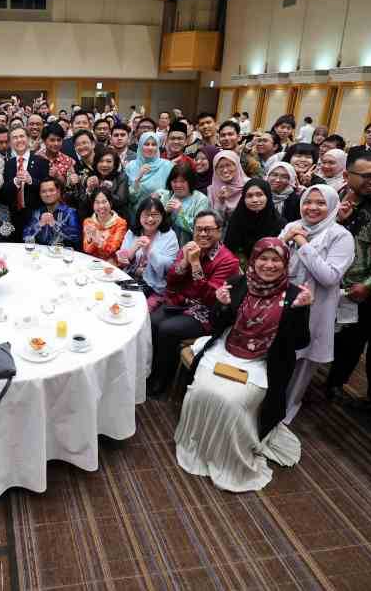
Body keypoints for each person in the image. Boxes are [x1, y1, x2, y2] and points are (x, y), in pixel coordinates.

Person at [174, 238, 312, 492]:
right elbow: (218, 325)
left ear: (285, 264)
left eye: (276, 260)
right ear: (253, 259)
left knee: (233, 402)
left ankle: (229, 457)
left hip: (264, 360)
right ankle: (201, 445)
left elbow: (300, 342)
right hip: (226, 351)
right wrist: (222, 306)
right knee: (200, 391)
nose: (268, 265)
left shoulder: (294, 295)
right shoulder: (239, 283)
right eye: (263, 258)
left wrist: (299, 311)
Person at [325, 152, 371, 411]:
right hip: (327, 281)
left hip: (363, 289)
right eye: (367, 176)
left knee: (352, 342)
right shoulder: (329, 198)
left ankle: (334, 385)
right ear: (347, 176)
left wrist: (370, 284)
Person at [279, 185, 355, 424]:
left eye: (320, 203)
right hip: (284, 301)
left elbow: (329, 276)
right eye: (308, 201)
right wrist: (284, 239)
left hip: (316, 307)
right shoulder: (292, 225)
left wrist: (302, 242)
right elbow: (270, 258)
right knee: (280, 355)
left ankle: (287, 410)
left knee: (303, 361)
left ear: (332, 206)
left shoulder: (340, 236)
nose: (312, 207)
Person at [148, 210, 240, 397]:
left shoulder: (228, 260)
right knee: (151, 321)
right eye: (199, 230)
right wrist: (183, 263)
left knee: (167, 329)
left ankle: (161, 382)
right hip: (181, 302)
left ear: (219, 231)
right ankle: (150, 371)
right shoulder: (188, 248)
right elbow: (172, 281)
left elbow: (209, 297)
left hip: (206, 312)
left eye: (208, 229)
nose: (203, 234)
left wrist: (196, 264)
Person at [115, 196, 179, 300]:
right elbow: (122, 262)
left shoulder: (169, 235)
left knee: (125, 296)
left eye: (155, 215)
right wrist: (133, 249)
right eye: (146, 215)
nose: (150, 219)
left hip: (152, 284)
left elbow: (170, 268)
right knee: (110, 288)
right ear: (139, 216)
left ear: (162, 216)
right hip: (129, 277)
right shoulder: (133, 232)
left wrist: (150, 251)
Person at [223, 180, 286, 266]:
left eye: (259, 195)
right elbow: (228, 251)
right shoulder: (237, 220)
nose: (255, 200)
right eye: (249, 196)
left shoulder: (279, 223)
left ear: (268, 196)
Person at [2, 125, 49, 238]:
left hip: (35, 214)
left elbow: (47, 189)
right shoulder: (8, 163)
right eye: (15, 137)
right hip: (13, 216)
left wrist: (31, 180)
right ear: (11, 142)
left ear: (28, 139)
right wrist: (15, 182)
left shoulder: (41, 161)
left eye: (22, 136)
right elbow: (3, 192)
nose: (19, 140)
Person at [157, 164, 210, 246]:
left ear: (190, 181)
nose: (178, 185)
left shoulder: (201, 200)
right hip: (164, 246)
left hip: (190, 247)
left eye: (182, 181)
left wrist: (180, 213)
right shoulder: (166, 197)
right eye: (174, 181)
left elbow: (199, 229)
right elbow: (154, 225)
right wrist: (165, 212)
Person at [126, 132, 173, 222]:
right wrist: (138, 178)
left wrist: (160, 195)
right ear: (140, 146)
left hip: (159, 215)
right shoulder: (131, 166)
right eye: (146, 144)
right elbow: (130, 198)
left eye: (154, 144)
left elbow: (172, 192)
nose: (150, 147)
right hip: (137, 216)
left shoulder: (167, 165)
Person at [23, 177, 81, 247]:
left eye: (51, 190)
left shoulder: (70, 212)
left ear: (58, 192)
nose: (47, 194)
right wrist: (39, 224)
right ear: (40, 195)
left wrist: (54, 224)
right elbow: (25, 236)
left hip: (61, 254)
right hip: (39, 254)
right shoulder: (37, 212)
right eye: (43, 191)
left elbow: (76, 237)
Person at [81, 188, 128, 262]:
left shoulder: (120, 223)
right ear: (93, 205)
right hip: (92, 263)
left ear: (110, 203)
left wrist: (96, 238)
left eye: (104, 202)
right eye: (97, 202)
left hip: (111, 265)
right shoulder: (88, 222)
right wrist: (91, 239)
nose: (101, 206)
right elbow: (87, 250)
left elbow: (112, 249)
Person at [206, 150, 247, 224]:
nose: (225, 170)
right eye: (220, 167)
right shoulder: (212, 190)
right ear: (215, 170)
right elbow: (216, 222)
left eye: (228, 165)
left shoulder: (249, 185)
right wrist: (220, 202)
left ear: (237, 166)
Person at [87, 150, 129, 218]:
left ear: (115, 164)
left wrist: (106, 190)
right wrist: (89, 190)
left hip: (116, 218)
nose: (104, 164)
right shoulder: (90, 176)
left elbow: (121, 201)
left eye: (109, 161)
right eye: (101, 161)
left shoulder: (121, 177)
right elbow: (83, 204)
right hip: (93, 219)